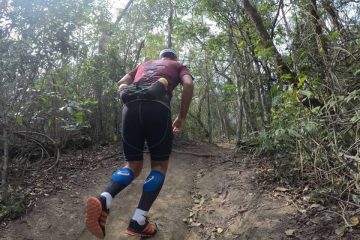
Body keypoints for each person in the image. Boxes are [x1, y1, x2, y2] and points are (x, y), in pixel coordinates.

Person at [85, 48, 194, 238]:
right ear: (174, 58)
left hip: (130, 107)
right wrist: (182, 117)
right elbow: (188, 84)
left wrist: (126, 88)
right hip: (157, 106)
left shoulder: (143, 64)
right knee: (159, 165)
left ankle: (104, 199)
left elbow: (121, 83)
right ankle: (138, 221)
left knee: (132, 165)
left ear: (160, 58)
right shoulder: (178, 65)